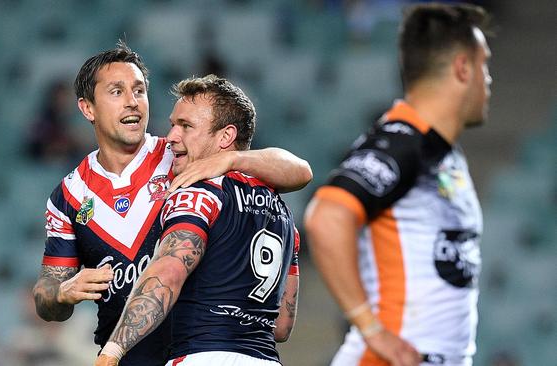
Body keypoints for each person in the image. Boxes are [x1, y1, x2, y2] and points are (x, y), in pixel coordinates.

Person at [32, 42, 311, 366]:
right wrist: (63, 291)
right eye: (117, 92)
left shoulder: (182, 154)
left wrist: (232, 158)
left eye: (139, 90)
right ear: (88, 108)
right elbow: (46, 295)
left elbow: (299, 171)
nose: (132, 102)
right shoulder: (68, 195)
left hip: (193, 351)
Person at [304, 3, 491, 366]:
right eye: (485, 64)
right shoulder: (402, 142)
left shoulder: (440, 152)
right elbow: (326, 217)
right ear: (463, 68)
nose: (489, 80)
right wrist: (371, 330)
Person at [96, 74, 300, 366]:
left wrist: (113, 350)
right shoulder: (285, 216)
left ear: (225, 137)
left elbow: (168, 272)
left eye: (186, 126)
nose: (172, 137)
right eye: (173, 124)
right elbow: (281, 326)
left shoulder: (199, 193)